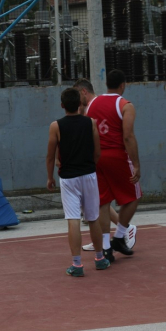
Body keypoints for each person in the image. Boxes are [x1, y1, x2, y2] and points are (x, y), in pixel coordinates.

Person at [46, 87, 110, 277]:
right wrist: (90, 167)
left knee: (73, 219)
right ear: (80, 105)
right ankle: (100, 259)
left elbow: (50, 156)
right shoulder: (91, 123)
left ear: (62, 105)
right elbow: (97, 152)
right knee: (93, 218)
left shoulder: (56, 126)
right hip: (88, 174)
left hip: (68, 177)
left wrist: (50, 177)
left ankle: (77, 264)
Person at [73, 78, 137, 252]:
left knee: (101, 202)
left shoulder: (95, 106)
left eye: (78, 95)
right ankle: (110, 239)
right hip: (96, 159)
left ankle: (116, 235)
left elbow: (126, 135)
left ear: (84, 92)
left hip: (99, 158)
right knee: (100, 201)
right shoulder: (90, 108)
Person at [85, 70, 142, 263]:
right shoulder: (125, 105)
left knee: (103, 203)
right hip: (116, 156)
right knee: (134, 197)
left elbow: (88, 129)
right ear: (123, 85)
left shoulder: (92, 103)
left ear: (106, 83)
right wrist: (135, 163)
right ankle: (119, 236)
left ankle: (106, 249)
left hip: (96, 157)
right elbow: (128, 136)